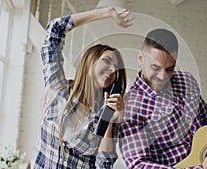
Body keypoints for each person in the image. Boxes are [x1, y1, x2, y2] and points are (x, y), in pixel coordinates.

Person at [119, 28, 207, 169]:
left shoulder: (186, 80)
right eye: (155, 67)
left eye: (170, 68)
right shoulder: (128, 107)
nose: (163, 77)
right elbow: (139, 165)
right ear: (140, 58)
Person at [31, 7, 133, 169]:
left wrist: (110, 120)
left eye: (116, 68)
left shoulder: (104, 112)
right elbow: (54, 30)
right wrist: (106, 13)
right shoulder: (58, 88)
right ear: (90, 62)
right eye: (107, 61)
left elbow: (104, 165)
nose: (113, 70)